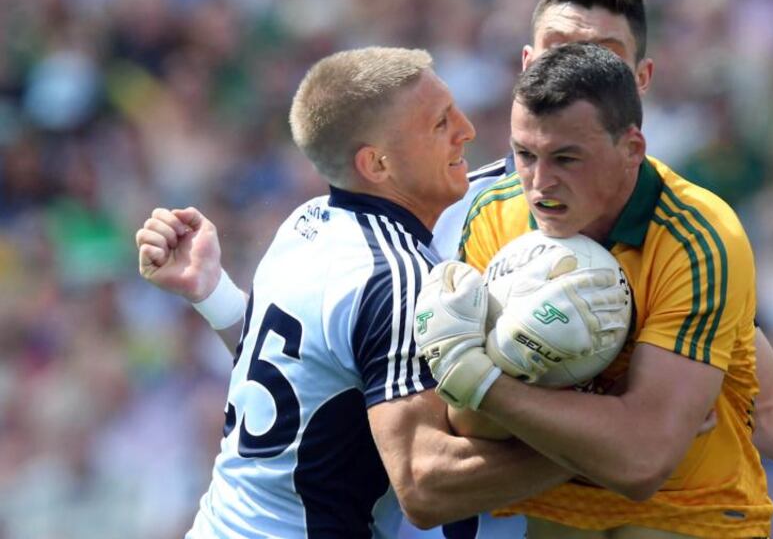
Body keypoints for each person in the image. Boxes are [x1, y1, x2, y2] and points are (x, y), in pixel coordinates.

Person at [136, 0, 773, 538]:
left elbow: (759, 401)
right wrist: (218, 300)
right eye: (555, 56)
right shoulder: (452, 211)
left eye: (602, 61)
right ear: (525, 69)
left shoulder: (693, 237)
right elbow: (335, 371)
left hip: (676, 521)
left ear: (638, 89)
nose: (572, 76)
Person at [138, 46, 603, 538]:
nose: (466, 129)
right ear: (377, 164)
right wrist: (591, 448)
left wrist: (213, 294)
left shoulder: (306, 222)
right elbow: (424, 488)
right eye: (439, 123)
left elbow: (306, 385)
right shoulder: (397, 278)